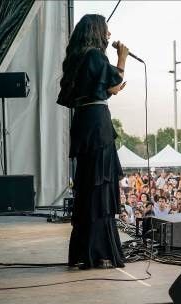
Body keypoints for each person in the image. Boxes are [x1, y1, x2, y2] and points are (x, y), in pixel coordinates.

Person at [58, 14, 128, 269]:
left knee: (89, 187)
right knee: (99, 186)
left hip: (85, 121)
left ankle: (86, 252)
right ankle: (100, 253)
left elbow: (92, 89)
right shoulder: (96, 56)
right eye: (106, 30)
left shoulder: (78, 57)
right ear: (97, 30)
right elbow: (116, 77)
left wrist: (108, 90)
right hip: (97, 126)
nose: (109, 35)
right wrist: (122, 57)